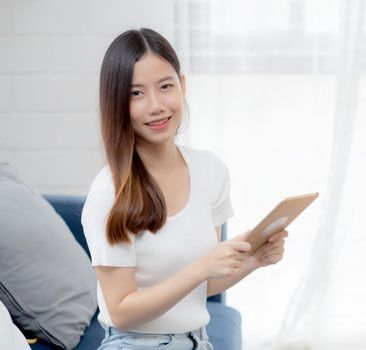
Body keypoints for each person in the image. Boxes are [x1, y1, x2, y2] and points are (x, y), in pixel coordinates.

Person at [81, 27, 288, 350]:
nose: (155, 106)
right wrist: (200, 268)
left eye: (165, 87)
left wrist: (253, 260)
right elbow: (121, 311)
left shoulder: (210, 171)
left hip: (197, 342)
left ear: (183, 85)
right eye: (136, 93)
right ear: (116, 102)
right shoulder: (108, 193)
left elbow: (203, 285)